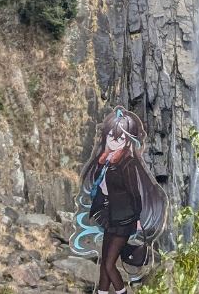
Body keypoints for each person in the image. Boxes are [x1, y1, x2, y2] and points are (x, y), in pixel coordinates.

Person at [70, 106, 168, 293]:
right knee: (104, 262)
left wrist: (138, 218)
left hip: (125, 220)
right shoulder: (105, 161)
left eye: (121, 138)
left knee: (108, 263)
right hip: (110, 218)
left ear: (128, 141)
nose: (115, 141)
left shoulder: (128, 164)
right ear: (106, 137)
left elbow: (135, 193)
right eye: (111, 136)